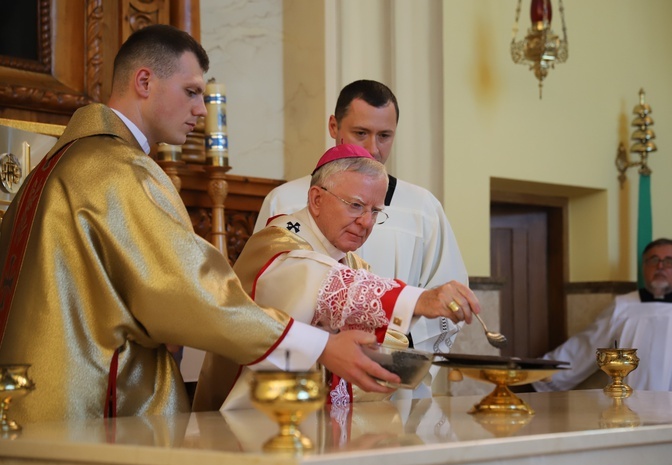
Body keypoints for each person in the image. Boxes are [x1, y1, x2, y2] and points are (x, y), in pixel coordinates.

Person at [0, 24, 398, 423]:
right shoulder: (117, 170)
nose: (201, 110)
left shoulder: (55, 165)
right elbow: (196, 294)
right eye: (191, 92)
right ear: (144, 81)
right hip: (92, 407)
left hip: (32, 400)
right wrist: (320, 347)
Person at [195, 144, 479, 410]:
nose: (366, 222)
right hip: (252, 420)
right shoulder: (277, 243)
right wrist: (419, 299)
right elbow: (316, 279)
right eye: (355, 205)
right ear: (316, 199)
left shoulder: (351, 261)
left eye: (374, 211)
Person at [253, 80, 469, 397]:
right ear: (334, 126)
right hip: (300, 382)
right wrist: (415, 301)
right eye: (360, 133)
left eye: (384, 136)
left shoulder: (423, 208)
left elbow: (448, 292)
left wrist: (401, 341)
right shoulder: (284, 203)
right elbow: (299, 282)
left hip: (389, 383)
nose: (372, 148)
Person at [533, 238, 672, 394]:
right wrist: (537, 373)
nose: (660, 267)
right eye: (653, 260)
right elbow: (587, 345)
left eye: (669, 261)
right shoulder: (624, 306)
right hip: (629, 410)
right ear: (644, 267)